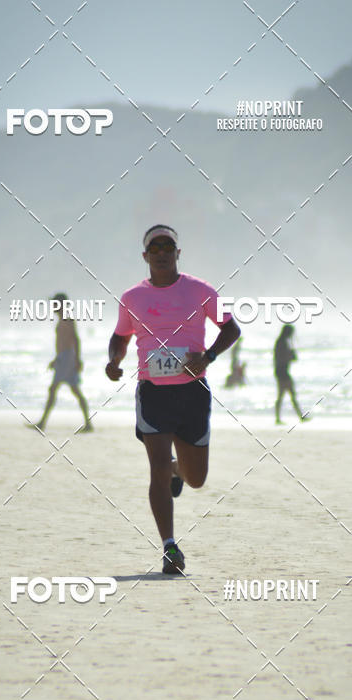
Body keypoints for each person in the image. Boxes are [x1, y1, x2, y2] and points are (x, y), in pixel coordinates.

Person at [105, 225, 240, 574]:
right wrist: (114, 361)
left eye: (168, 246)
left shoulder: (201, 290)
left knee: (196, 479)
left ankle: (181, 471)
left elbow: (232, 328)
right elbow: (119, 336)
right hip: (153, 391)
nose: (162, 251)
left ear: (178, 253)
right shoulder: (132, 297)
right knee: (158, 467)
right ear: (145, 256)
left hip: (192, 392)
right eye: (155, 247)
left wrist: (208, 357)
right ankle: (169, 548)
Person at [34, 293, 92, 432]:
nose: (52, 306)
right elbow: (62, 341)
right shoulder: (62, 319)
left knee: (53, 389)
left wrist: (78, 359)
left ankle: (42, 423)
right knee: (75, 390)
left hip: (67, 358)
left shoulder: (67, 318)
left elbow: (75, 340)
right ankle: (88, 424)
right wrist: (56, 359)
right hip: (64, 357)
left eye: (55, 303)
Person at [274, 324, 308, 424]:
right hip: (282, 371)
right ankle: (299, 416)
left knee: (284, 395)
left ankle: (279, 418)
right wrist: (291, 355)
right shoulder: (282, 343)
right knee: (289, 394)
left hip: (281, 371)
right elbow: (282, 358)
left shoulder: (281, 342)